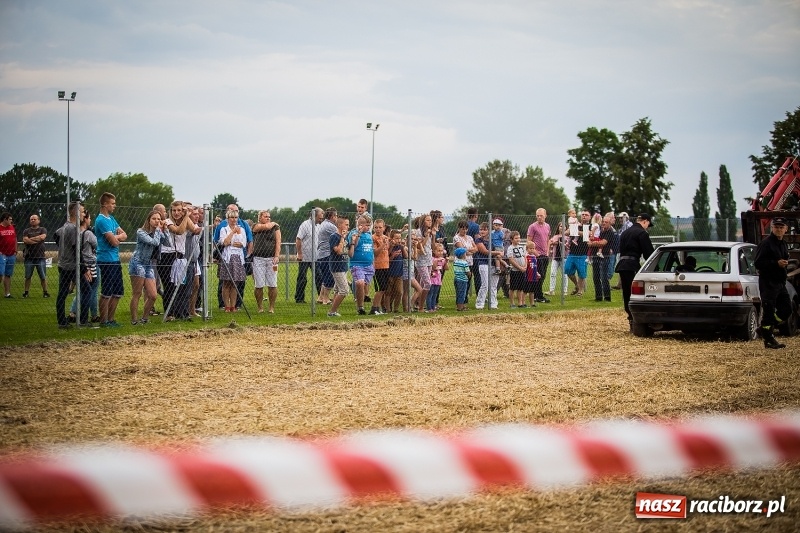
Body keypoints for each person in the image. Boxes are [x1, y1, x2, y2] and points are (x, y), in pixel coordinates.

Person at [754, 217, 791, 349]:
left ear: (786, 229)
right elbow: (758, 263)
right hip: (768, 283)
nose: (779, 229)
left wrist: (784, 263)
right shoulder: (766, 244)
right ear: (772, 228)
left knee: (787, 309)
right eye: (776, 227)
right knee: (768, 312)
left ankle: (765, 329)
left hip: (780, 283)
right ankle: (768, 339)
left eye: (781, 227)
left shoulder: (783, 244)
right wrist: (775, 263)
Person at [53, 202, 91, 328]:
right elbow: (76, 250)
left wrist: (63, 248)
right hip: (72, 266)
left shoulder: (65, 226)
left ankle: (62, 321)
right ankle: (83, 320)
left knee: (62, 293)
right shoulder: (73, 228)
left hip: (63, 264)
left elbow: (56, 234)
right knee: (87, 290)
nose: (84, 213)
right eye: (82, 211)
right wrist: (84, 268)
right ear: (76, 213)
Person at [130, 210, 170, 325]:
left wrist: (165, 229)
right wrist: (158, 230)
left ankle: (145, 318)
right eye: (154, 219)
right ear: (148, 220)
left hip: (148, 264)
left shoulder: (158, 231)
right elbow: (154, 242)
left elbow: (168, 243)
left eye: (159, 219)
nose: (157, 221)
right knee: (137, 293)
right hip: (137, 263)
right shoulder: (141, 232)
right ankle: (134, 320)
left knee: (153, 295)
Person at [615, 212, 655, 326]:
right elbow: (649, 254)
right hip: (632, 265)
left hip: (622, 265)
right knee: (635, 293)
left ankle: (630, 317)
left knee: (627, 292)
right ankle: (636, 318)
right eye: (648, 224)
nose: (647, 227)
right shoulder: (642, 233)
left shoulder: (625, 233)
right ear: (645, 221)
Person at [94, 192, 127, 327]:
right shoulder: (101, 220)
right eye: (112, 203)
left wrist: (116, 237)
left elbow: (124, 235)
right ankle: (103, 320)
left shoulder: (112, 219)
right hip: (106, 259)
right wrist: (116, 237)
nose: (114, 206)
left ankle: (111, 319)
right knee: (106, 292)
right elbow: (113, 242)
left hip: (115, 259)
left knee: (117, 292)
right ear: (105, 204)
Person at [69, 211, 100, 325]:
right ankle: (91, 315)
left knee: (82, 290)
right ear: (85, 219)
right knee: (92, 290)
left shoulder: (76, 233)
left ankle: (73, 313)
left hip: (80, 263)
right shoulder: (88, 234)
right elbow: (97, 245)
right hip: (90, 264)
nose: (90, 220)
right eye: (89, 218)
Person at [217, 210, 247, 312]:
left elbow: (243, 243)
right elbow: (224, 242)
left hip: (238, 257)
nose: (234, 220)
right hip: (227, 258)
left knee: (235, 283)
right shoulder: (224, 229)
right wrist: (233, 233)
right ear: (228, 219)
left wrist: (232, 242)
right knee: (226, 283)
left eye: (236, 218)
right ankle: (227, 306)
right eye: (232, 218)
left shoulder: (242, 230)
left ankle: (233, 306)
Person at [252, 210, 281, 314]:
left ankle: (271, 307)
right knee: (259, 285)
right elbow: (266, 227)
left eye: (269, 217)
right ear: (260, 218)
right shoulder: (255, 226)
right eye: (265, 216)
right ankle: (260, 307)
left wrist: (277, 256)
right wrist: (273, 223)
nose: (268, 218)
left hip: (271, 259)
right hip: (258, 259)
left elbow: (278, 241)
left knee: (272, 284)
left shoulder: (276, 228)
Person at [294, 207, 323, 303]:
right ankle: (299, 298)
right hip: (305, 257)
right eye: (320, 216)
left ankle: (321, 297)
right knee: (302, 278)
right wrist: (300, 254)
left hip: (316, 257)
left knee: (319, 276)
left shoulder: (319, 226)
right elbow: (298, 239)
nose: (321, 218)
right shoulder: (305, 225)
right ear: (314, 216)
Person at [349, 215, 375, 315]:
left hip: (368, 266)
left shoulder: (369, 235)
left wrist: (373, 264)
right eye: (366, 225)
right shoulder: (354, 233)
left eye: (369, 225)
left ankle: (361, 304)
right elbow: (353, 246)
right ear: (360, 225)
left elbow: (371, 250)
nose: (368, 227)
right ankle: (360, 307)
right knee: (359, 283)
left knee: (363, 285)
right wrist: (359, 233)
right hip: (357, 264)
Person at [526, 208, 551, 303]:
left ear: (545, 215)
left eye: (541, 215)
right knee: (539, 275)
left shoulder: (547, 226)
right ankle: (538, 295)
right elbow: (529, 241)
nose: (539, 217)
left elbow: (548, 240)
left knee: (543, 275)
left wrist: (548, 252)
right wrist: (536, 253)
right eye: (538, 215)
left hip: (545, 255)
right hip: (536, 255)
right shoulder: (532, 227)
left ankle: (537, 294)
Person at [564, 210, 592, 296]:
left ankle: (580, 291)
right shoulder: (576, 224)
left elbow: (588, 234)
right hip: (572, 253)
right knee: (568, 270)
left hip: (583, 254)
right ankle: (577, 285)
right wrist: (578, 231)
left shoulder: (591, 226)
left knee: (581, 274)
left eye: (586, 215)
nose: (584, 216)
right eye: (582, 214)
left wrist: (576, 231)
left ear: (589, 217)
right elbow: (566, 232)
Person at [22, 214, 50, 298]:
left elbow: (42, 237)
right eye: (31, 219)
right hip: (29, 257)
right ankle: (26, 292)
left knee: (43, 276)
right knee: (27, 276)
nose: (33, 220)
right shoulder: (26, 231)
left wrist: (30, 240)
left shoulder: (43, 229)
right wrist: (36, 239)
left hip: (40, 257)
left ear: (39, 220)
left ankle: (45, 292)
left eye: (34, 219)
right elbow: (25, 240)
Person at [327, 217, 350, 317]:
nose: (348, 227)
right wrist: (342, 238)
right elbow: (339, 251)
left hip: (343, 266)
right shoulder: (334, 237)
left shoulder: (345, 237)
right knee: (344, 290)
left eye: (348, 225)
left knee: (337, 290)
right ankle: (331, 312)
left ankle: (334, 311)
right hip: (337, 267)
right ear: (340, 225)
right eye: (346, 224)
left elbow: (348, 251)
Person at [590, 214, 615, 302]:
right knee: (595, 277)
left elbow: (603, 243)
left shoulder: (610, 232)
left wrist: (592, 243)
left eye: (606, 222)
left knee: (604, 277)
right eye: (603, 222)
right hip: (595, 255)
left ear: (610, 223)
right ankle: (598, 297)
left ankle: (607, 297)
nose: (604, 223)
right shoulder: (600, 231)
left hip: (605, 256)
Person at [474, 222, 497, 310]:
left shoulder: (491, 241)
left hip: (492, 264)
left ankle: (493, 303)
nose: (482, 231)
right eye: (481, 229)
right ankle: (480, 303)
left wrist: (498, 254)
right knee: (485, 284)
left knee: (493, 285)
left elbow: (494, 250)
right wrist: (498, 253)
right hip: (483, 263)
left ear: (488, 230)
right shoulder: (479, 240)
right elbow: (485, 252)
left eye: (484, 229)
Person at [452, 220, 477, 303]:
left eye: (466, 229)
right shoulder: (456, 238)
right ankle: (460, 302)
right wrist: (469, 250)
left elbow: (476, 249)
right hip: (460, 263)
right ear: (459, 228)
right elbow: (462, 250)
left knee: (468, 282)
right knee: (460, 283)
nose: (465, 231)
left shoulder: (470, 237)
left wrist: (468, 250)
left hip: (469, 262)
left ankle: (464, 301)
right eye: (463, 229)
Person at [385, 229, 406, 313]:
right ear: (391, 238)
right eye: (396, 238)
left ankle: (396, 308)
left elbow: (406, 256)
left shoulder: (400, 247)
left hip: (399, 274)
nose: (398, 240)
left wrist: (403, 247)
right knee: (388, 292)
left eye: (399, 238)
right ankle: (388, 309)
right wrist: (392, 255)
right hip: (389, 273)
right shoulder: (389, 247)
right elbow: (386, 259)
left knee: (399, 292)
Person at [371, 218, 389, 314]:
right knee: (380, 288)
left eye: (380, 227)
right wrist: (383, 244)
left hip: (385, 265)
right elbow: (375, 253)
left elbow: (387, 251)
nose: (378, 229)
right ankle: (374, 308)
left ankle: (377, 307)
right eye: (376, 227)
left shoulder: (386, 237)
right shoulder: (373, 238)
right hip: (377, 266)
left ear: (384, 228)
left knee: (383, 288)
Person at [612, 212, 633, 290]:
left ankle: (624, 284)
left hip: (627, 249)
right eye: (619, 218)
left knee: (624, 266)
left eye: (621, 218)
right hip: (622, 248)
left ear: (625, 218)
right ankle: (619, 284)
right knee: (621, 266)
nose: (620, 219)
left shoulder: (628, 225)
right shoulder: (624, 226)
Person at [506, 231, 527, 308]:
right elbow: (511, 260)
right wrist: (520, 267)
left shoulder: (521, 247)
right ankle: (512, 303)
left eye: (519, 238)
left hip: (522, 271)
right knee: (513, 288)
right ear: (511, 239)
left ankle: (520, 303)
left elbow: (525, 257)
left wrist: (525, 266)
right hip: (515, 271)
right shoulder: (510, 248)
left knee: (520, 288)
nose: (518, 239)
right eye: (516, 238)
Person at [547, 221, 568, 297]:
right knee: (552, 274)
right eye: (560, 226)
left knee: (564, 275)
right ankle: (551, 290)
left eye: (563, 226)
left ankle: (565, 291)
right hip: (555, 258)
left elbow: (568, 246)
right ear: (558, 227)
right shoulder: (555, 236)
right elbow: (551, 243)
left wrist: (561, 243)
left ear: (566, 227)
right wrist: (553, 244)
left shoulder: (567, 236)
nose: (562, 227)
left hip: (564, 258)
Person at [426, 243, 447, 312]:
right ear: (434, 251)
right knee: (430, 293)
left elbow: (446, 268)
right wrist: (437, 261)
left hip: (438, 278)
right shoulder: (432, 259)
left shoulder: (442, 259)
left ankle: (433, 307)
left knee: (435, 294)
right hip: (432, 278)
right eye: (439, 251)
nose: (440, 252)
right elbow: (434, 268)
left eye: (441, 251)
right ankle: (429, 308)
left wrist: (446, 261)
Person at [0, 212, 17, 298]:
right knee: (0, 273)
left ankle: (7, 293)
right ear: (5, 219)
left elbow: (15, 238)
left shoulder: (12, 227)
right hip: (2, 254)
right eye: (10, 219)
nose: (11, 221)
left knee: (8, 274)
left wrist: (15, 250)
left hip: (11, 254)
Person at [523, 240, 540, 308]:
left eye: (533, 248)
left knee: (532, 291)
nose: (532, 250)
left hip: (533, 277)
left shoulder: (534, 257)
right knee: (525, 291)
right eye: (530, 248)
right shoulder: (526, 257)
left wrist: (537, 273)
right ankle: (523, 302)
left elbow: (535, 267)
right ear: (527, 249)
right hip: (528, 277)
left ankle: (532, 303)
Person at [452, 247, 470, 311]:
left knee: (458, 293)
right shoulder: (464, 263)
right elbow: (468, 272)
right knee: (462, 293)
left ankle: (458, 306)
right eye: (465, 253)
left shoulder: (455, 262)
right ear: (463, 255)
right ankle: (460, 307)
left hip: (456, 278)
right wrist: (469, 275)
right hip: (462, 280)